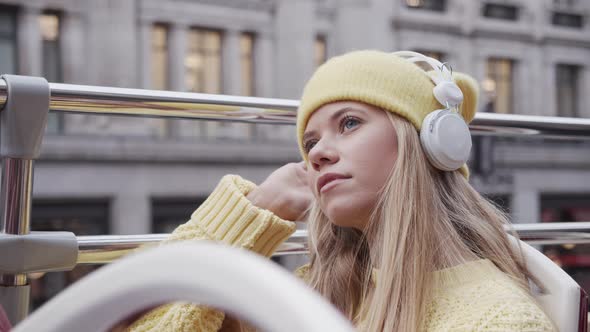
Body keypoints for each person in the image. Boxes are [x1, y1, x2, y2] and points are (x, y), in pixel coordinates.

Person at [124, 50, 554, 331]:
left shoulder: (498, 319)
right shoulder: (328, 293)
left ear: (430, 144)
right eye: (310, 143)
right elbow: (130, 319)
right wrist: (253, 213)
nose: (319, 154)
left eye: (349, 123)